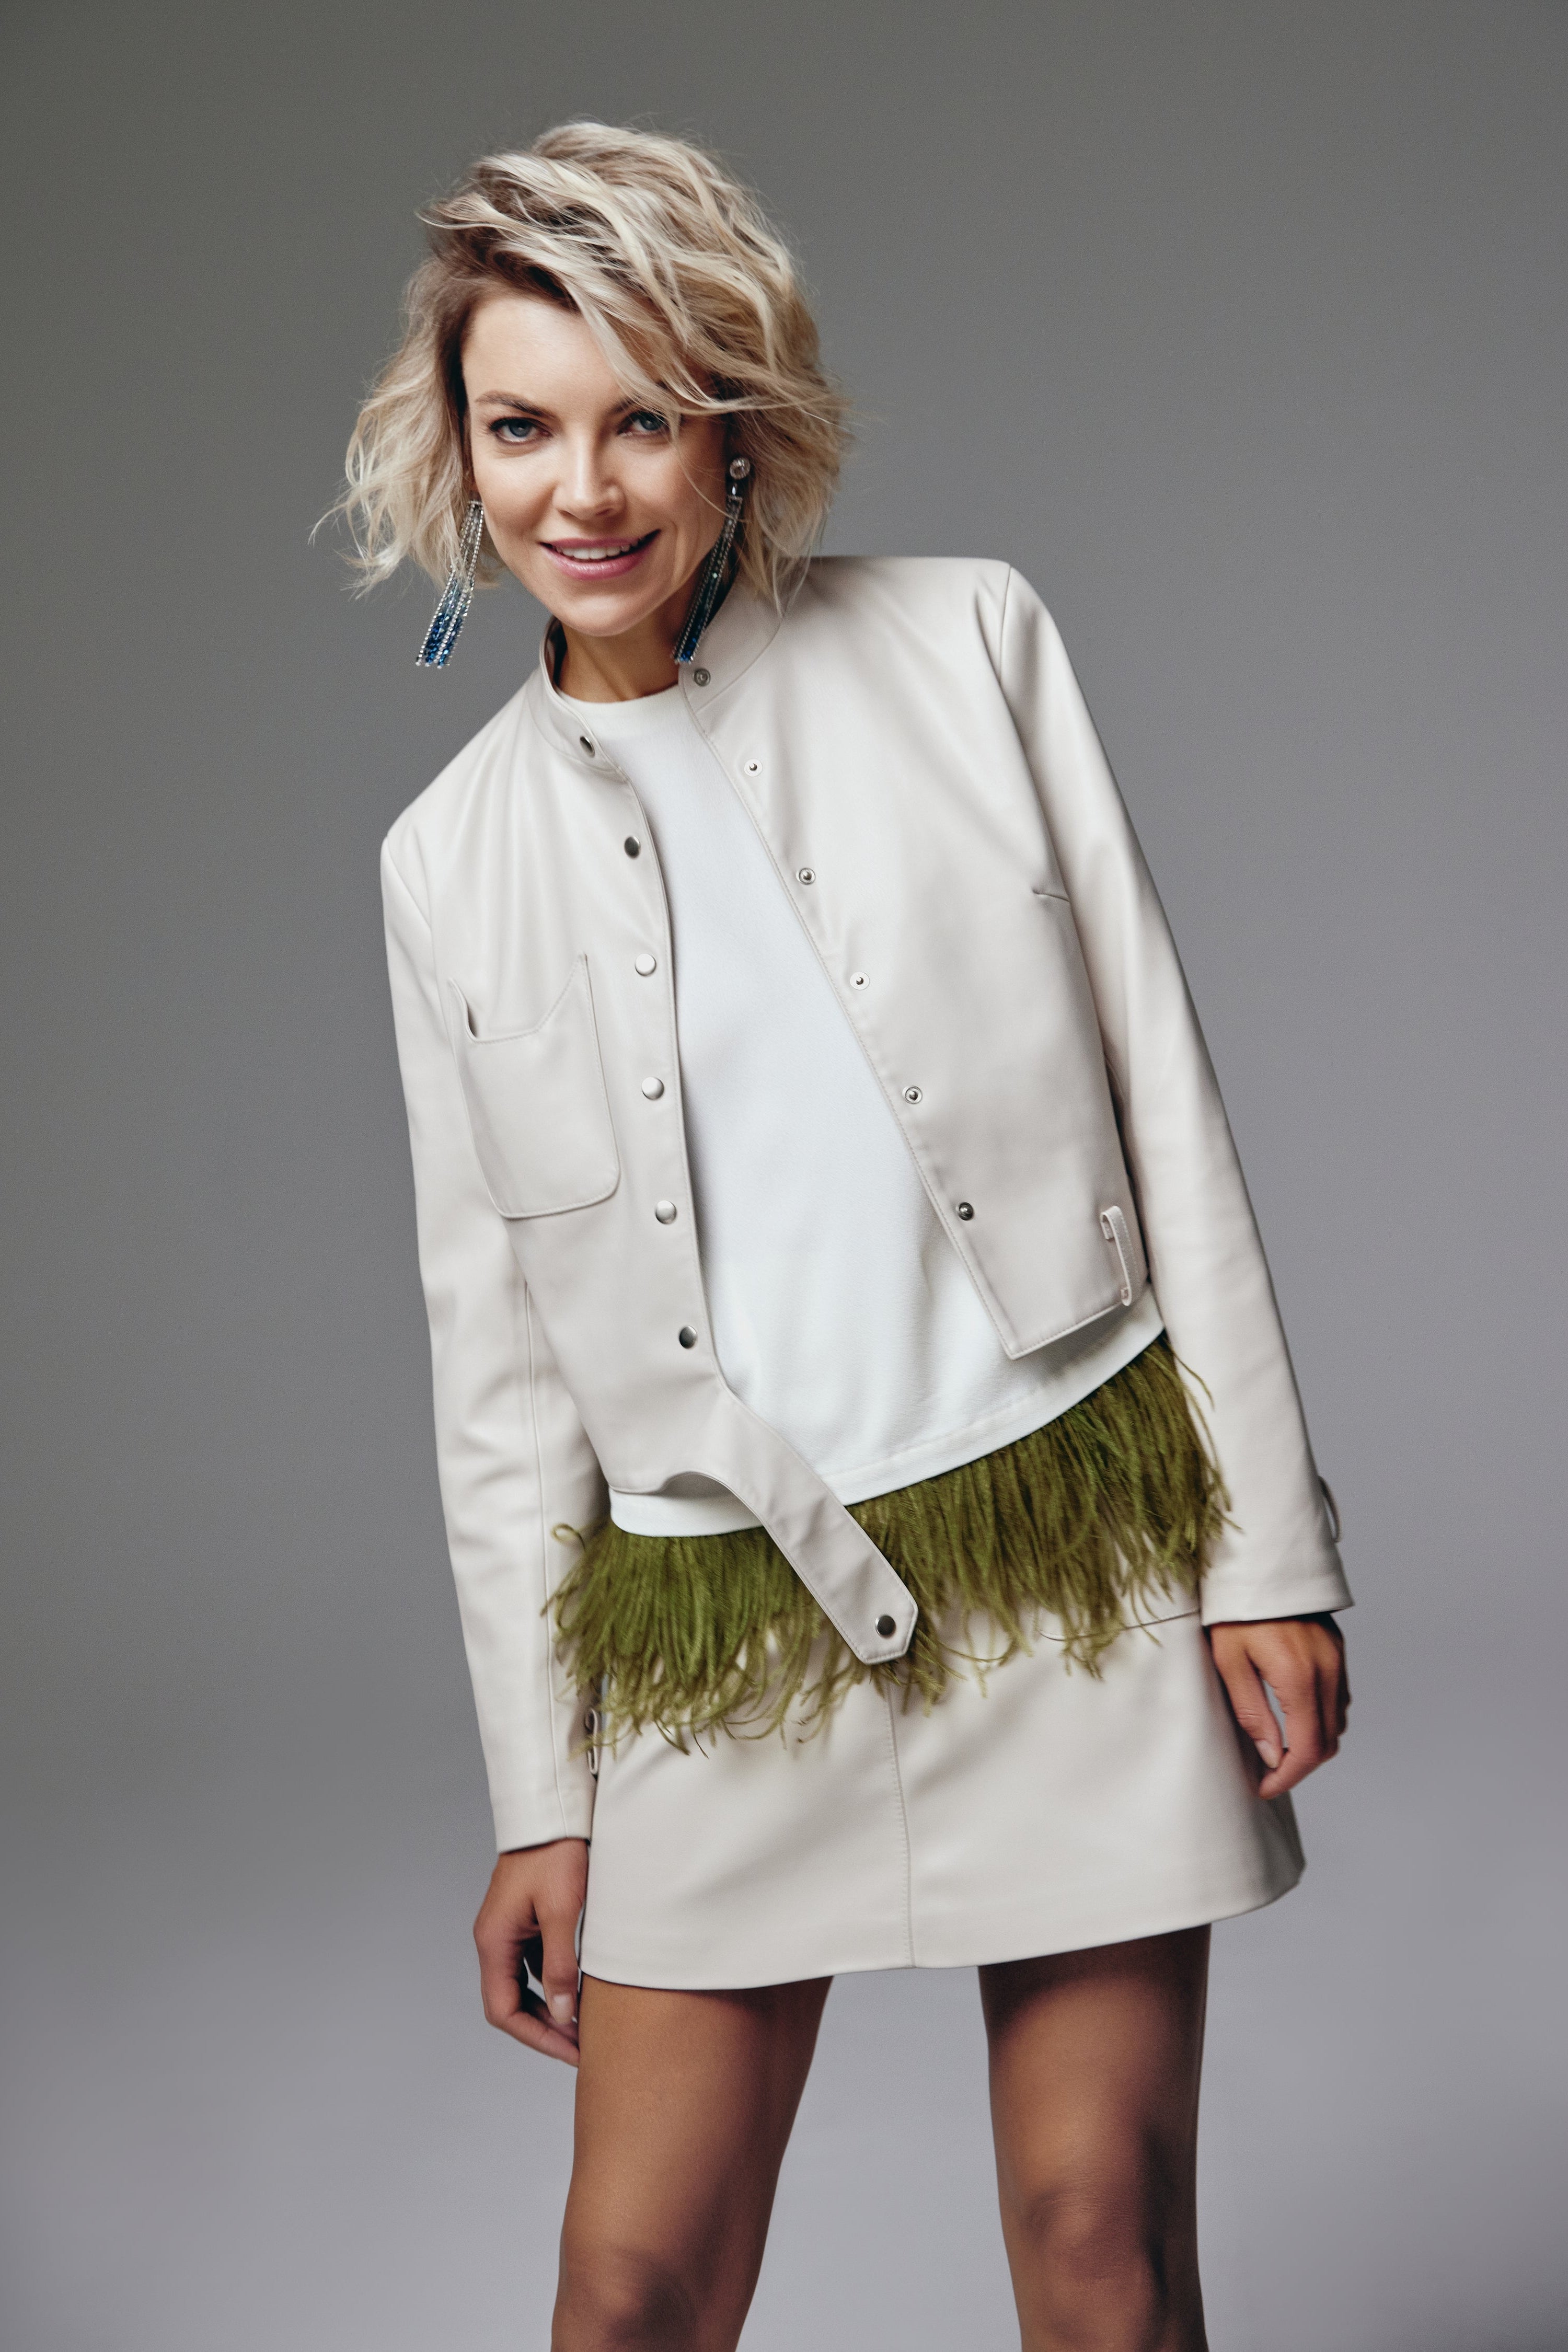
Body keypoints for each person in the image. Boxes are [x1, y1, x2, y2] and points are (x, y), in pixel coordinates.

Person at [343, 120, 1351, 2352]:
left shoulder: (967, 640)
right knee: (628, 2296)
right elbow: (498, 1379)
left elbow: (1167, 1102)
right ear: (458, 446)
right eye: (521, 427)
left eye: (638, 419)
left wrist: (1271, 1541)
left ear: (733, 423)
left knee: (1100, 2241)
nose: (579, 492)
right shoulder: (446, 864)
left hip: (1074, 1572)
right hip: (719, 1624)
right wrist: (543, 1801)